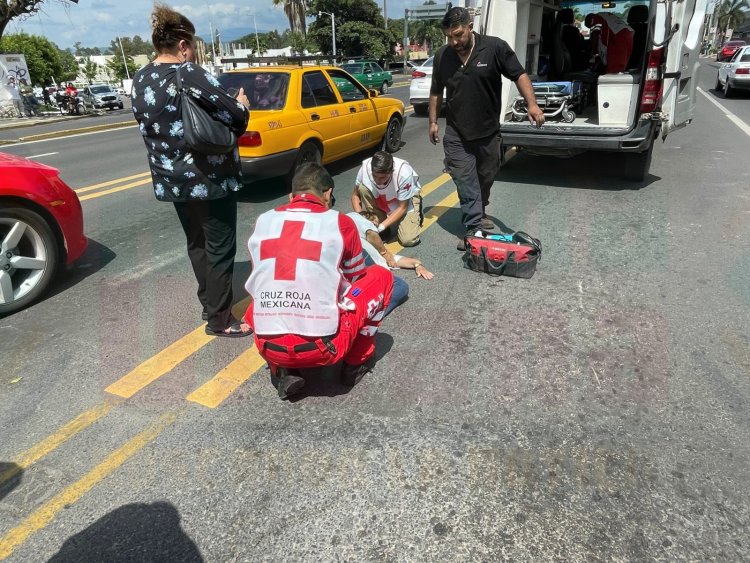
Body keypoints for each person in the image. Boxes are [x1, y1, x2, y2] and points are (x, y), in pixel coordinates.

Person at [132, 3, 252, 338]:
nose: (194, 51)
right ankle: (221, 319)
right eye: (193, 45)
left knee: (197, 242)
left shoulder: (141, 78)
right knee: (220, 245)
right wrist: (241, 103)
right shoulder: (188, 73)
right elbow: (236, 118)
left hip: (171, 178)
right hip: (209, 178)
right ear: (183, 45)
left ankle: (209, 303)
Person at [243, 163, 394, 400]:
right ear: (328, 194)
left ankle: (283, 369)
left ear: (291, 196)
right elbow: (355, 278)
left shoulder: (264, 220)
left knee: (260, 297)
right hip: (323, 349)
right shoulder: (340, 222)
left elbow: (263, 278)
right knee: (380, 277)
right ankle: (356, 363)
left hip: (269, 347)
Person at [428, 7, 545, 250]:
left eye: (458, 34)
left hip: (488, 132)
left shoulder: (494, 48)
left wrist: (532, 105)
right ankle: (474, 229)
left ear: (470, 26)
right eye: (449, 36)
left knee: (486, 176)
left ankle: (479, 211)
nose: (454, 41)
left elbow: (519, 75)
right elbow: (436, 91)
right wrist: (432, 121)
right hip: (456, 133)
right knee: (465, 180)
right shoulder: (442, 56)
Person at [347, 210, 434, 317]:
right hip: (361, 266)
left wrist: (418, 265)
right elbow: (370, 232)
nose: (376, 226)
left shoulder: (376, 250)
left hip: (357, 273)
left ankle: (363, 316)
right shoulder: (354, 217)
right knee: (400, 286)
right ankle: (366, 317)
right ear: (368, 217)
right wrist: (384, 251)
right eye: (375, 223)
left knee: (401, 286)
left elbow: (397, 260)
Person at [351, 151, 422, 247]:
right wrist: (360, 219)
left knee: (408, 240)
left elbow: (402, 207)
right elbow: (355, 195)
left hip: (403, 201)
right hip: (381, 198)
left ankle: (416, 209)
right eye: (375, 176)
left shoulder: (403, 173)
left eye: (382, 177)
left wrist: (380, 227)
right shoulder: (365, 168)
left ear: (391, 172)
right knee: (362, 187)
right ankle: (382, 222)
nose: (378, 181)